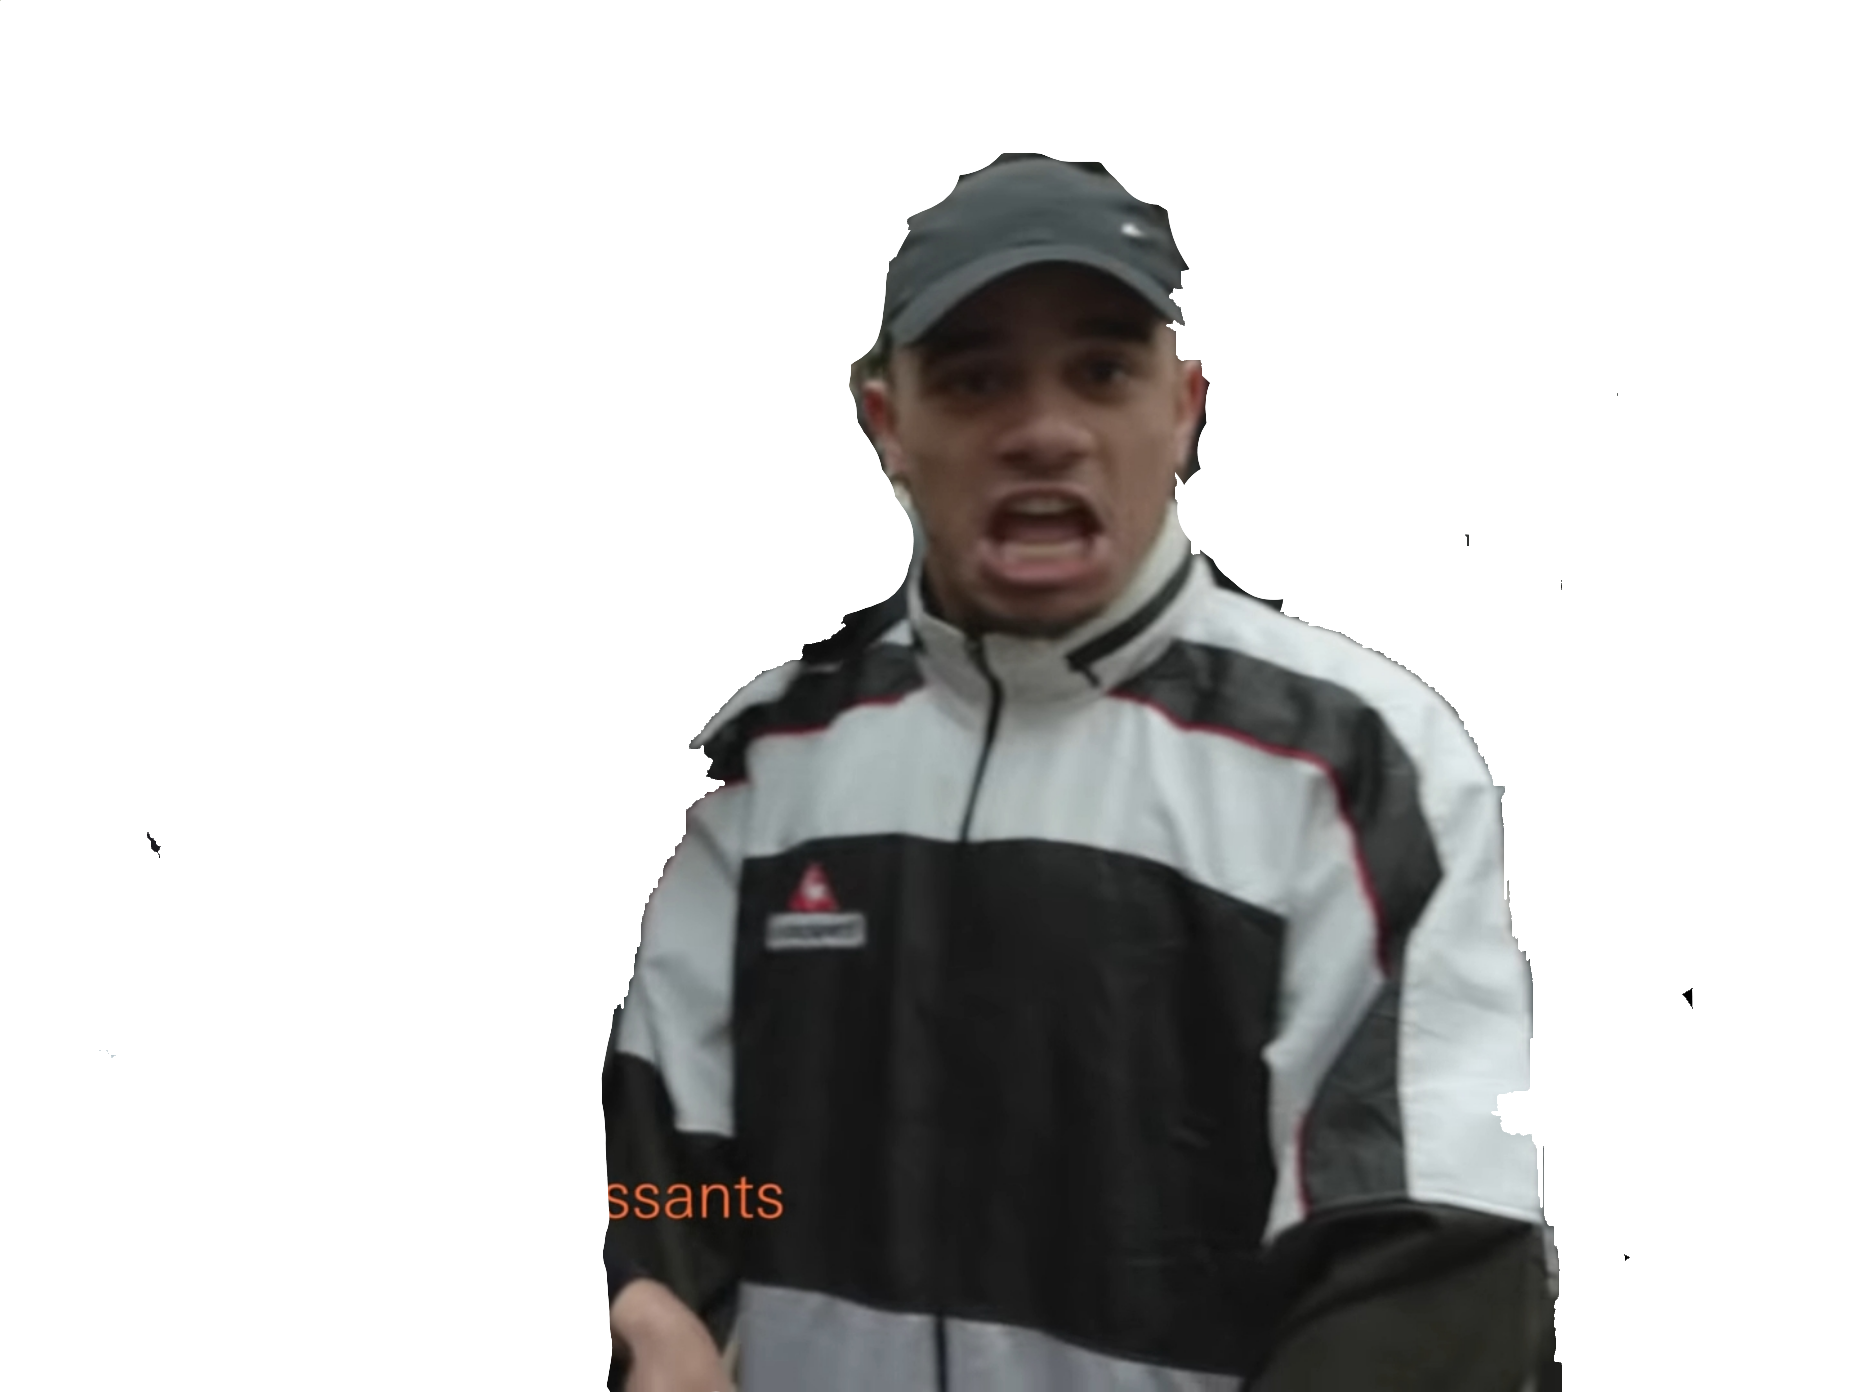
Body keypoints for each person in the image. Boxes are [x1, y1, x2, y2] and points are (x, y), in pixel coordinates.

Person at [605, 154, 1552, 1390]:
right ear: (887, 425)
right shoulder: (768, 762)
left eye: (1101, 370)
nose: (1043, 431)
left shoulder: (1355, 760)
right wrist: (653, 1298)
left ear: (1182, 410)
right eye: (975, 377)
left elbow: (1426, 1247)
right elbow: (672, 1158)